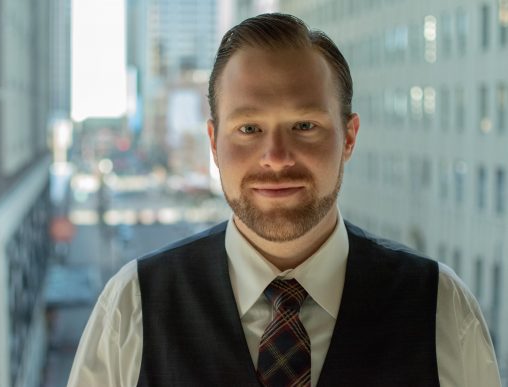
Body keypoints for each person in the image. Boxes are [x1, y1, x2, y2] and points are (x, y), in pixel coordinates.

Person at [67, 13, 501, 387]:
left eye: (305, 126)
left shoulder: (440, 308)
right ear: (214, 143)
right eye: (249, 128)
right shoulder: (133, 306)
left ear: (348, 138)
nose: (275, 157)